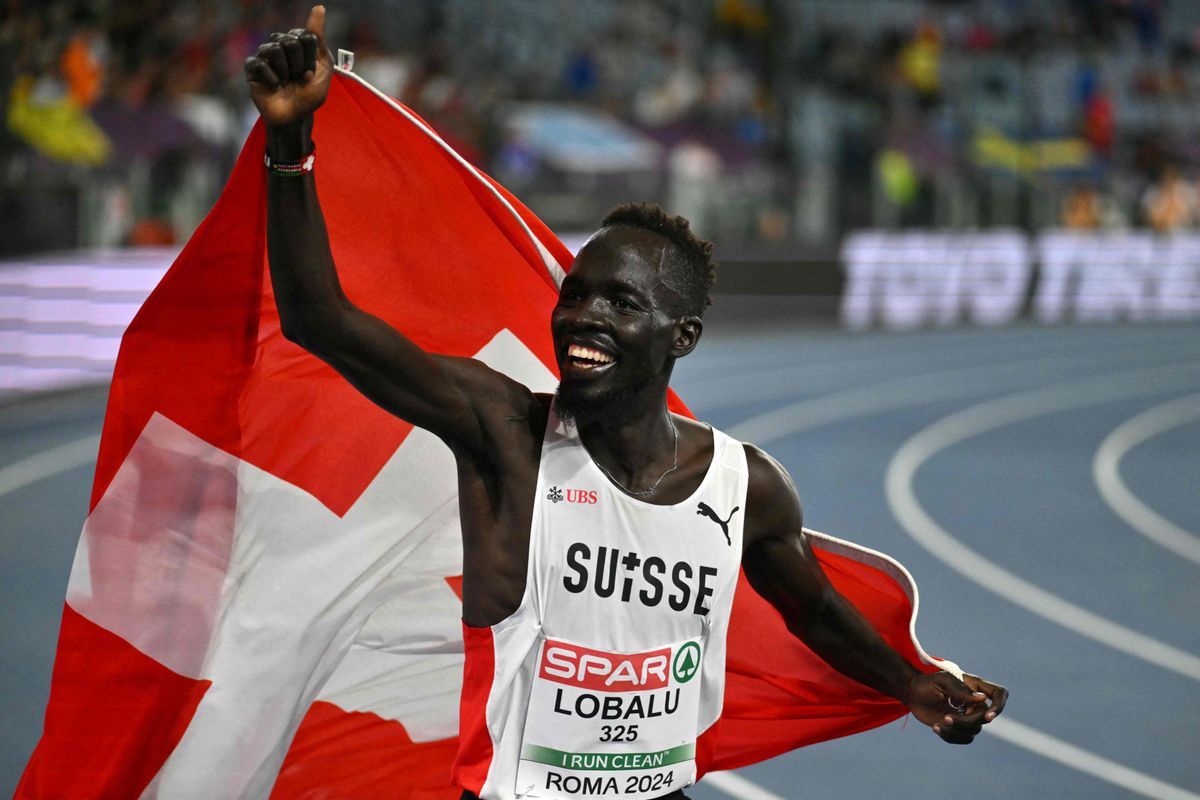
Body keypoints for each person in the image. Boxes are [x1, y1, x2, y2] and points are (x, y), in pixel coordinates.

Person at [244, 8, 1008, 800]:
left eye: (619, 304)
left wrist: (910, 685)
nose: (583, 317)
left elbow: (812, 608)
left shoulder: (744, 487)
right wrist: (291, 145)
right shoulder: (505, 432)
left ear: (681, 336)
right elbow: (318, 320)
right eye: (574, 296)